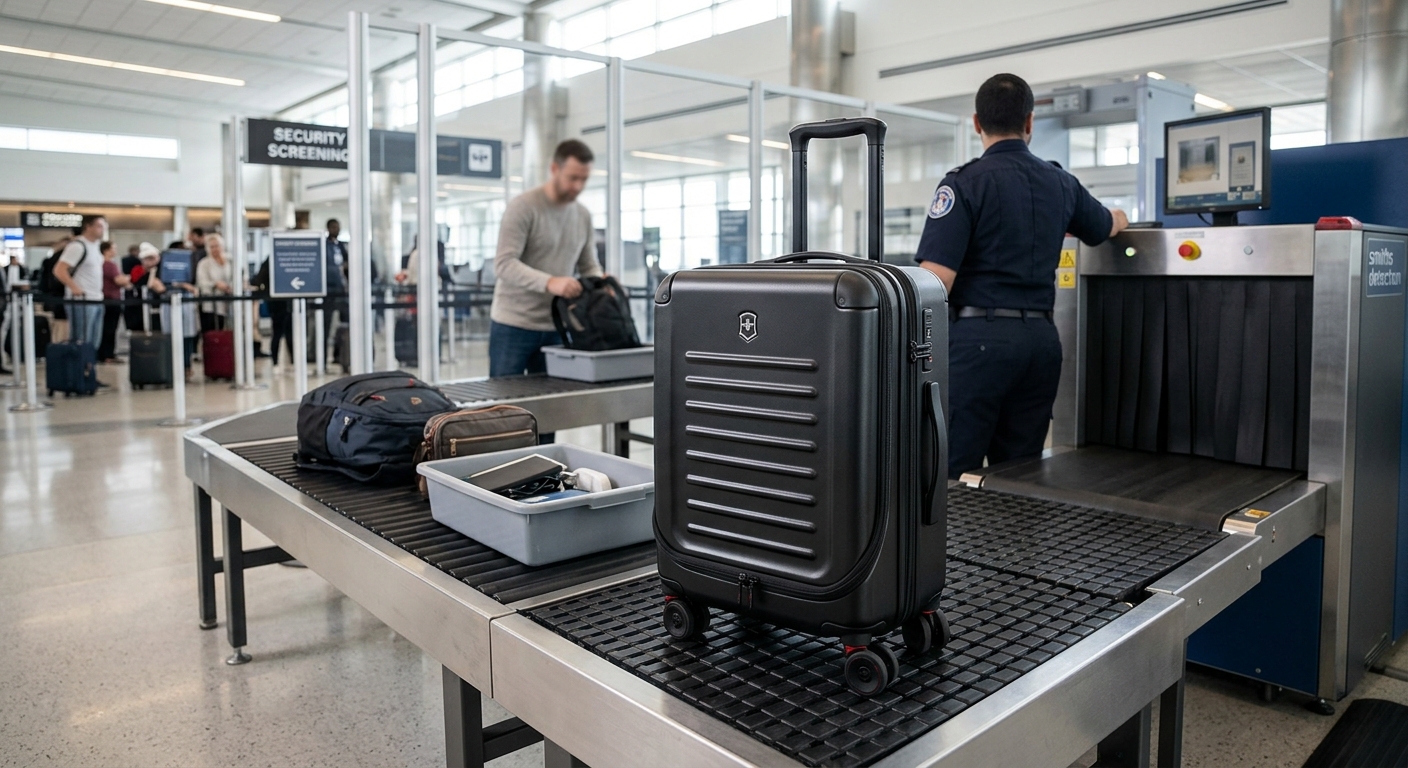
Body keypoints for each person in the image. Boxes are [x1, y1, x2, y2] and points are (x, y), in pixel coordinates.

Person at [915, 73, 1128, 479]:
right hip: (1041, 345)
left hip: (977, 346)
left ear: (977, 123)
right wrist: (1120, 216)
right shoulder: (1061, 183)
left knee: (951, 473)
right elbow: (1104, 226)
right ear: (1030, 122)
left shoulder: (964, 183)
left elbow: (936, 281)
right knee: (1021, 474)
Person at [487, 139, 602, 378]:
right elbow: (504, 263)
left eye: (584, 179)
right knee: (504, 399)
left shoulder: (583, 216)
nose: (578, 186)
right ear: (554, 169)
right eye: (573, 178)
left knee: (554, 398)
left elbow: (589, 265)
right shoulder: (523, 207)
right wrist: (550, 282)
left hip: (558, 325)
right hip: (513, 325)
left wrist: (602, 284)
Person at [53, 214, 107, 354]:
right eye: (99, 226)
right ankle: (78, 366)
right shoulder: (78, 246)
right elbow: (59, 270)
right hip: (81, 300)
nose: (103, 230)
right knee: (81, 339)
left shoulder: (96, 246)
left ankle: (89, 366)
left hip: (96, 298)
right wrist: (74, 288)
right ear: (88, 227)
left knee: (94, 340)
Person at [144, 246, 201, 379]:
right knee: (169, 336)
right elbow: (153, 285)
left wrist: (186, 286)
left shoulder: (192, 266)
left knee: (187, 335)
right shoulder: (157, 269)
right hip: (167, 302)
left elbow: (196, 289)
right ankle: (170, 365)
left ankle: (186, 365)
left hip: (186, 301)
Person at [97, 241, 133, 363]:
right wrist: (129, 278)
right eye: (114, 248)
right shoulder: (110, 265)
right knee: (110, 328)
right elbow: (119, 280)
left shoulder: (100, 264)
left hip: (105, 299)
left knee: (105, 327)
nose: (116, 250)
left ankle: (103, 353)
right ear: (106, 250)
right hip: (111, 300)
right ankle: (108, 354)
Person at [196, 233, 233, 332]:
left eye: (217, 246)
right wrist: (216, 284)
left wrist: (230, 286)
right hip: (212, 304)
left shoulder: (231, 260)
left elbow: (239, 276)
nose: (215, 249)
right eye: (212, 247)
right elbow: (201, 283)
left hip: (230, 302)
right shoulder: (204, 263)